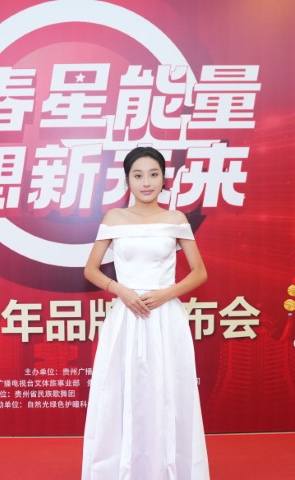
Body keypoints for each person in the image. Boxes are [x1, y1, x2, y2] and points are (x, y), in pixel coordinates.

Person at [81, 146, 210, 480]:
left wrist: (165, 294)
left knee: (168, 391)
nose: (146, 182)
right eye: (138, 175)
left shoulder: (175, 219)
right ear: (127, 180)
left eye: (153, 174)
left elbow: (199, 272)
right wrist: (121, 290)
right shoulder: (114, 219)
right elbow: (91, 270)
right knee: (121, 392)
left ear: (164, 179)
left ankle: (170, 470)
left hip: (165, 317)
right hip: (125, 317)